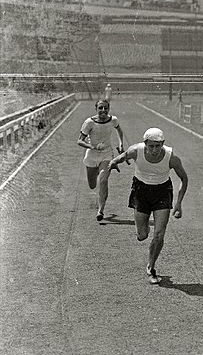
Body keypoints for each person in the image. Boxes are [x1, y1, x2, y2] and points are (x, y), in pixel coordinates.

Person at [110, 128, 188, 284]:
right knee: (142, 235)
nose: (154, 150)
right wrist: (113, 163)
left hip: (162, 192)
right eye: (151, 146)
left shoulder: (171, 157)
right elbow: (122, 157)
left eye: (158, 146)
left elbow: (184, 179)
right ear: (145, 144)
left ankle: (151, 267)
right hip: (141, 191)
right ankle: (143, 231)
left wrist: (178, 204)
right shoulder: (135, 151)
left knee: (159, 234)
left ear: (162, 144)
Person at [77, 99, 125, 221]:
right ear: (96, 109)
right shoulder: (89, 122)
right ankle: (98, 171)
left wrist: (121, 144)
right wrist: (92, 146)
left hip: (107, 154)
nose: (103, 110)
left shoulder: (113, 120)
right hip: (92, 156)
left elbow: (119, 130)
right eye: (100, 108)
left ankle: (100, 210)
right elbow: (80, 141)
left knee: (103, 181)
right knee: (92, 185)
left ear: (108, 109)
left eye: (105, 108)